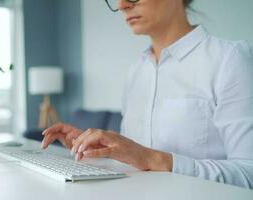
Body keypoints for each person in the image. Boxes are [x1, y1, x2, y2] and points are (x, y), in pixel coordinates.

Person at [41, 0, 253, 189]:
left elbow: (249, 174)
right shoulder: (137, 70)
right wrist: (99, 150)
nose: (122, 5)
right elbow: (134, 161)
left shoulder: (230, 59)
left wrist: (156, 159)